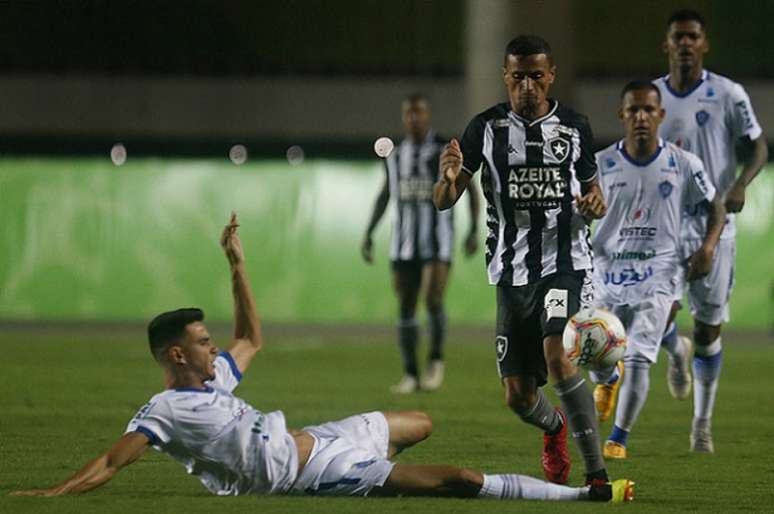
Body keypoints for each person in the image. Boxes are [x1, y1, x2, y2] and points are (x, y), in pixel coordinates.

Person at [9, 213, 633, 503]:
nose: (213, 346)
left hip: (320, 437)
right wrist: (57, 490)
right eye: (202, 341)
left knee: (420, 423)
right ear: (175, 355)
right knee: (461, 481)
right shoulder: (166, 410)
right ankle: (582, 499)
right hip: (307, 473)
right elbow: (112, 461)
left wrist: (237, 265)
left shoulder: (210, 382)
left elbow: (251, 338)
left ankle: (377, 464)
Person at [433, 35, 616, 488]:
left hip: (563, 262)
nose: (528, 86)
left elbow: (596, 193)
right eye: (518, 77)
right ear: (505, 78)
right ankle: (554, 428)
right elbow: (443, 201)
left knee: (558, 354)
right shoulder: (485, 129)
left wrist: (595, 204)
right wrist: (448, 179)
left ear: (551, 75)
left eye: (537, 76)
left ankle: (596, 474)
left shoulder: (574, 127)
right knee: (517, 397)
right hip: (512, 274)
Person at [589, 81, 725, 459]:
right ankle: (646, 361)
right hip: (608, 272)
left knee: (636, 357)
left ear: (660, 115)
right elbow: (576, 213)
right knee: (596, 353)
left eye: (649, 110)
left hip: (659, 271)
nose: (641, 117)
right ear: (622, 116)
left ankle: (618, 439)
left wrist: (708, 246)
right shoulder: (600, 165)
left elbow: (716, 207)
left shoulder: (683, 165)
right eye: (633, 110)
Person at [653, 9, 766, 452]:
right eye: (677, 36)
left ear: (704, 45)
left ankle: (702, 423)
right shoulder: (652, 98)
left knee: (707, 330)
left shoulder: (727, 93)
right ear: (667, 45)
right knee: (653, 316)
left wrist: (740, 183)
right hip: (665, 225)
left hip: (715, 224)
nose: (684, 43)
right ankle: (673, 352)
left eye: (692, 37)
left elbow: (757, 145)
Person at [362, 94, 480, 394]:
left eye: (419, 113)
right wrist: (369, 232)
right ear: (404, 118)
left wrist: (474, 229)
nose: (414, 118)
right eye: (409, 114)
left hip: (438, 242)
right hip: (402, 244)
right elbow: (386, 192)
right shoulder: (395, 154)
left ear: (428, 116)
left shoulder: (443, 149)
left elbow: (471, 188)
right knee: (405, 305)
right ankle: (411, 373)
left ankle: (436, 362)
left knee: (432, 299)